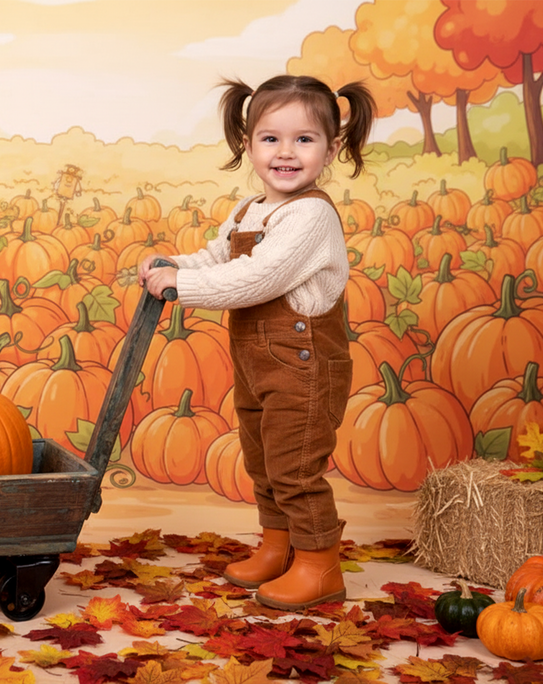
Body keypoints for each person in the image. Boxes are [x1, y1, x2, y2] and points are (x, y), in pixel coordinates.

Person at [138, 74, 375, 612]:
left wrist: (183, 287)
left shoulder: (311, 216)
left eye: (304, 139)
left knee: (295, 469)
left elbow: (259, 279)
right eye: (270, 138)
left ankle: (319, 565)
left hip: (305, 369)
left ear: (332, 147)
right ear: (248, 143)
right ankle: (278, 544)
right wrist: (175, 264)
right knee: (264, 460)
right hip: (258, 365)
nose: (286, 153)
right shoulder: (249, 211)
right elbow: (220, 258)